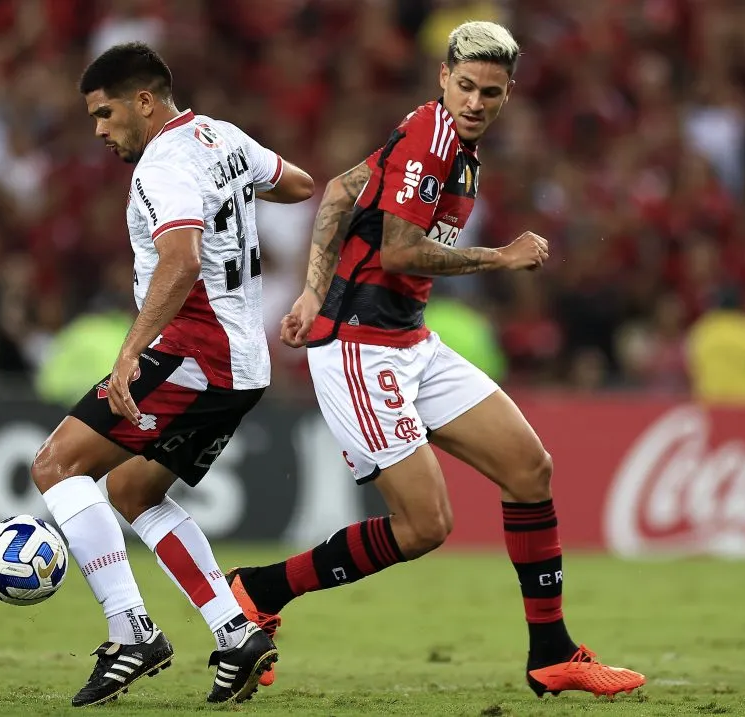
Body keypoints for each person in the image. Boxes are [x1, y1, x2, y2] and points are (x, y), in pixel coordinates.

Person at [225, 22, 647, 698]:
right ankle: (259, 589)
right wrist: (500, 257)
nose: (478, 101)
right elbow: (398, 251)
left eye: (493, 92)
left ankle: (552, 652)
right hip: (362, 347)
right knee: (425, 526)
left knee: (529, 468)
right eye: (468, 86)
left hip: (409, 339)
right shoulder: (433, 135)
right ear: (443, 78)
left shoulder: (436, 133)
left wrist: (310, 287)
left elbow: (338, 189)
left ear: (508, 97)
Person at [30, 42, 314, 707]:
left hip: (194, 352)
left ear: (145, 102)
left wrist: (131, 350)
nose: (100, 130)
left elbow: (181, 259)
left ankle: (131, 630)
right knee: (132, 490)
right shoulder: (222, 136)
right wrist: (237, 185)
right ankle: (235, 631)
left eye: (105, 114)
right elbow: (296, 183)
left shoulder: (162, 164)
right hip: (243, 364)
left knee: (55, 466)